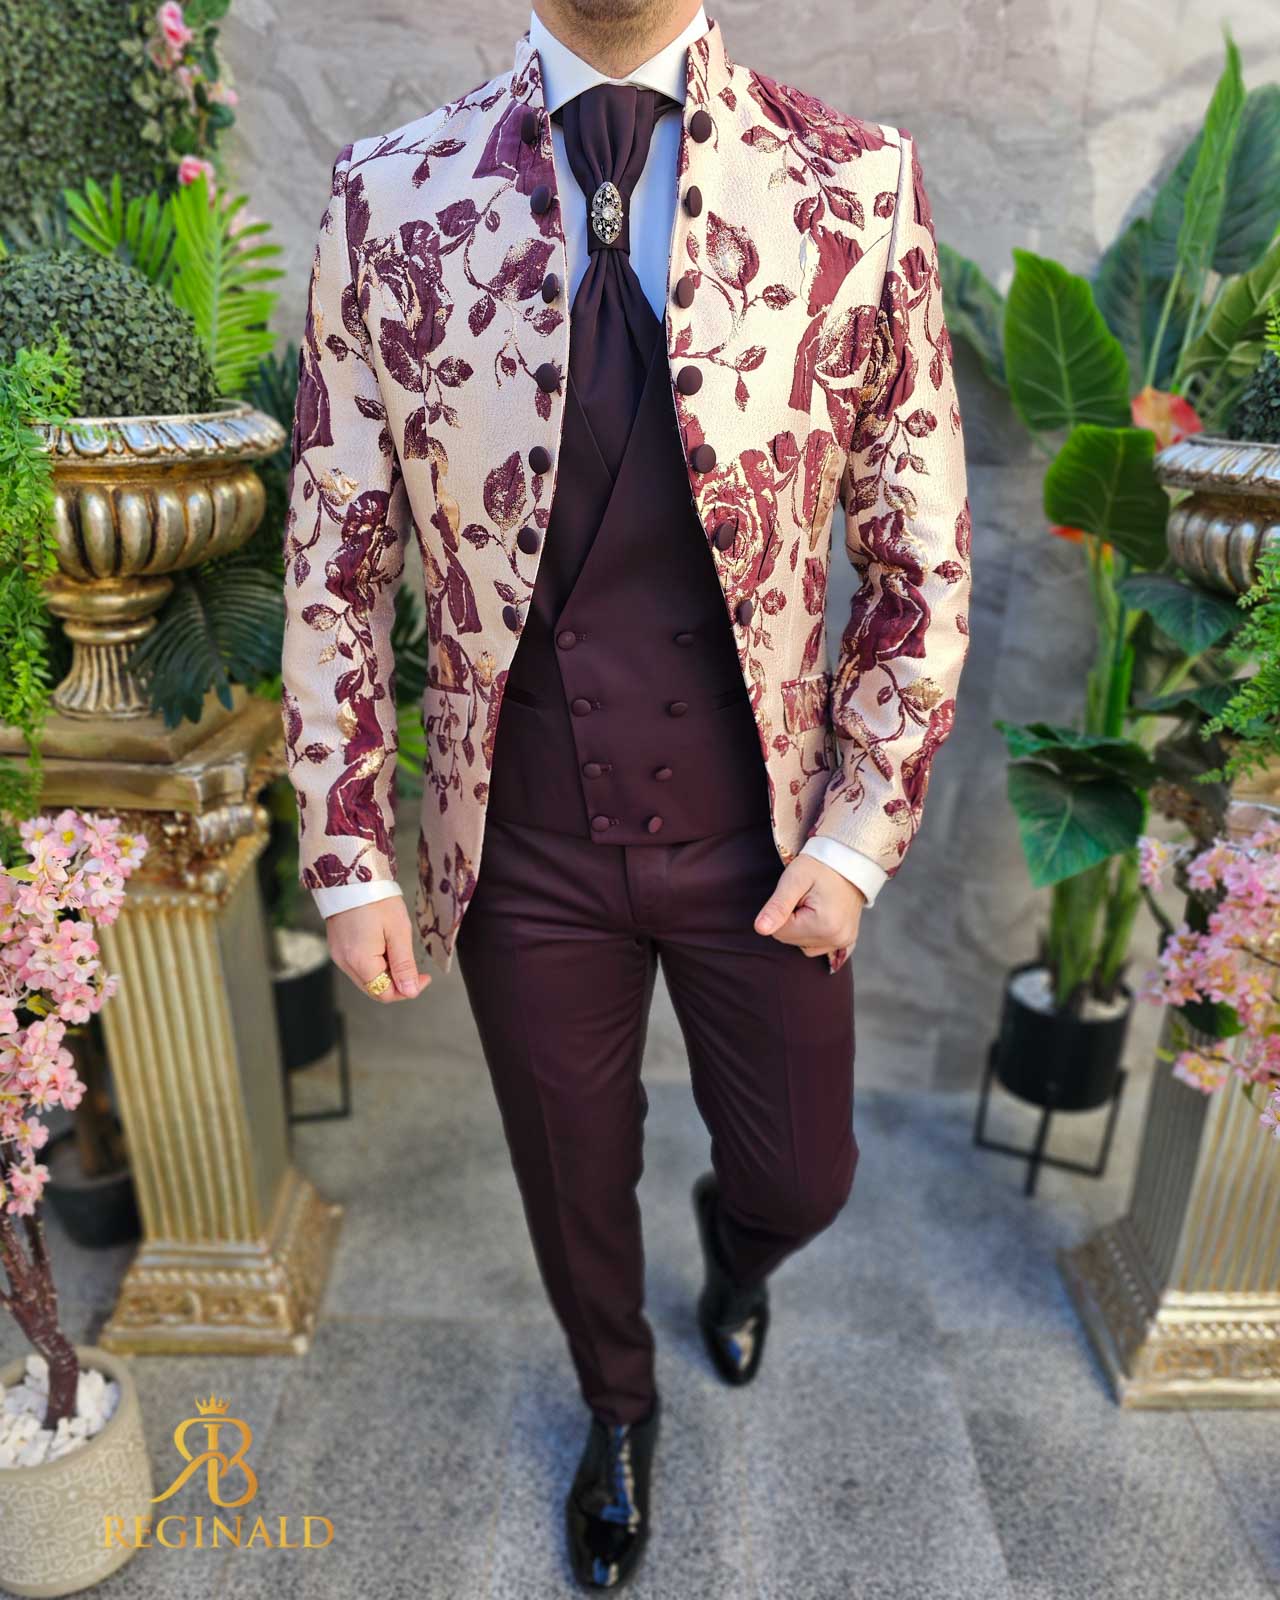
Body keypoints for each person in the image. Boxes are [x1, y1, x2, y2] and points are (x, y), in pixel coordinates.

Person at [281, 1, 971, 1586]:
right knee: (570, 1179)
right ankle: (616, 1405)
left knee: (805, 1174)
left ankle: (739, 1251)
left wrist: (862, 830)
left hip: (762, 836)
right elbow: (336, 547)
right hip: (521, 834)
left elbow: (920, 547)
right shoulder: (390, 193)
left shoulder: (855, 183)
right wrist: (348, 848)